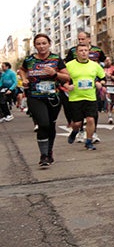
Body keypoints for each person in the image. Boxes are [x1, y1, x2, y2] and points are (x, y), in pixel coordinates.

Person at [19, 33, 70, 166]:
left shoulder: (56, 59)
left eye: (44, 43)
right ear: (35, 46)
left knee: (51, 125)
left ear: (49, 44)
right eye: (38, 44)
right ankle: (43, 156)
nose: (41, 46)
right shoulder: (29, 60)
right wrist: (24, 79)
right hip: (35, 97)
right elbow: (22, 70)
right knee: (43, 124)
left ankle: (49, 152)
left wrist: (55, 74)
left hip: (53, 97)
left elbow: (67, 77)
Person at [64, 42, 105, 151]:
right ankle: (75, 131)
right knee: (77, 123)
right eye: (81, 51)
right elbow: (62, 79)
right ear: (76, 53)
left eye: (86, 50)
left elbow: (103, 77)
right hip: (75, 98)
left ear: (88, 52)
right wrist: (67, 85)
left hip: (90, 97)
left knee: (91, 119)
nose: (83, 53)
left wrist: (100, 83)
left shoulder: (95, 65)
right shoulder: (69, 65)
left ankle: (89, 141)